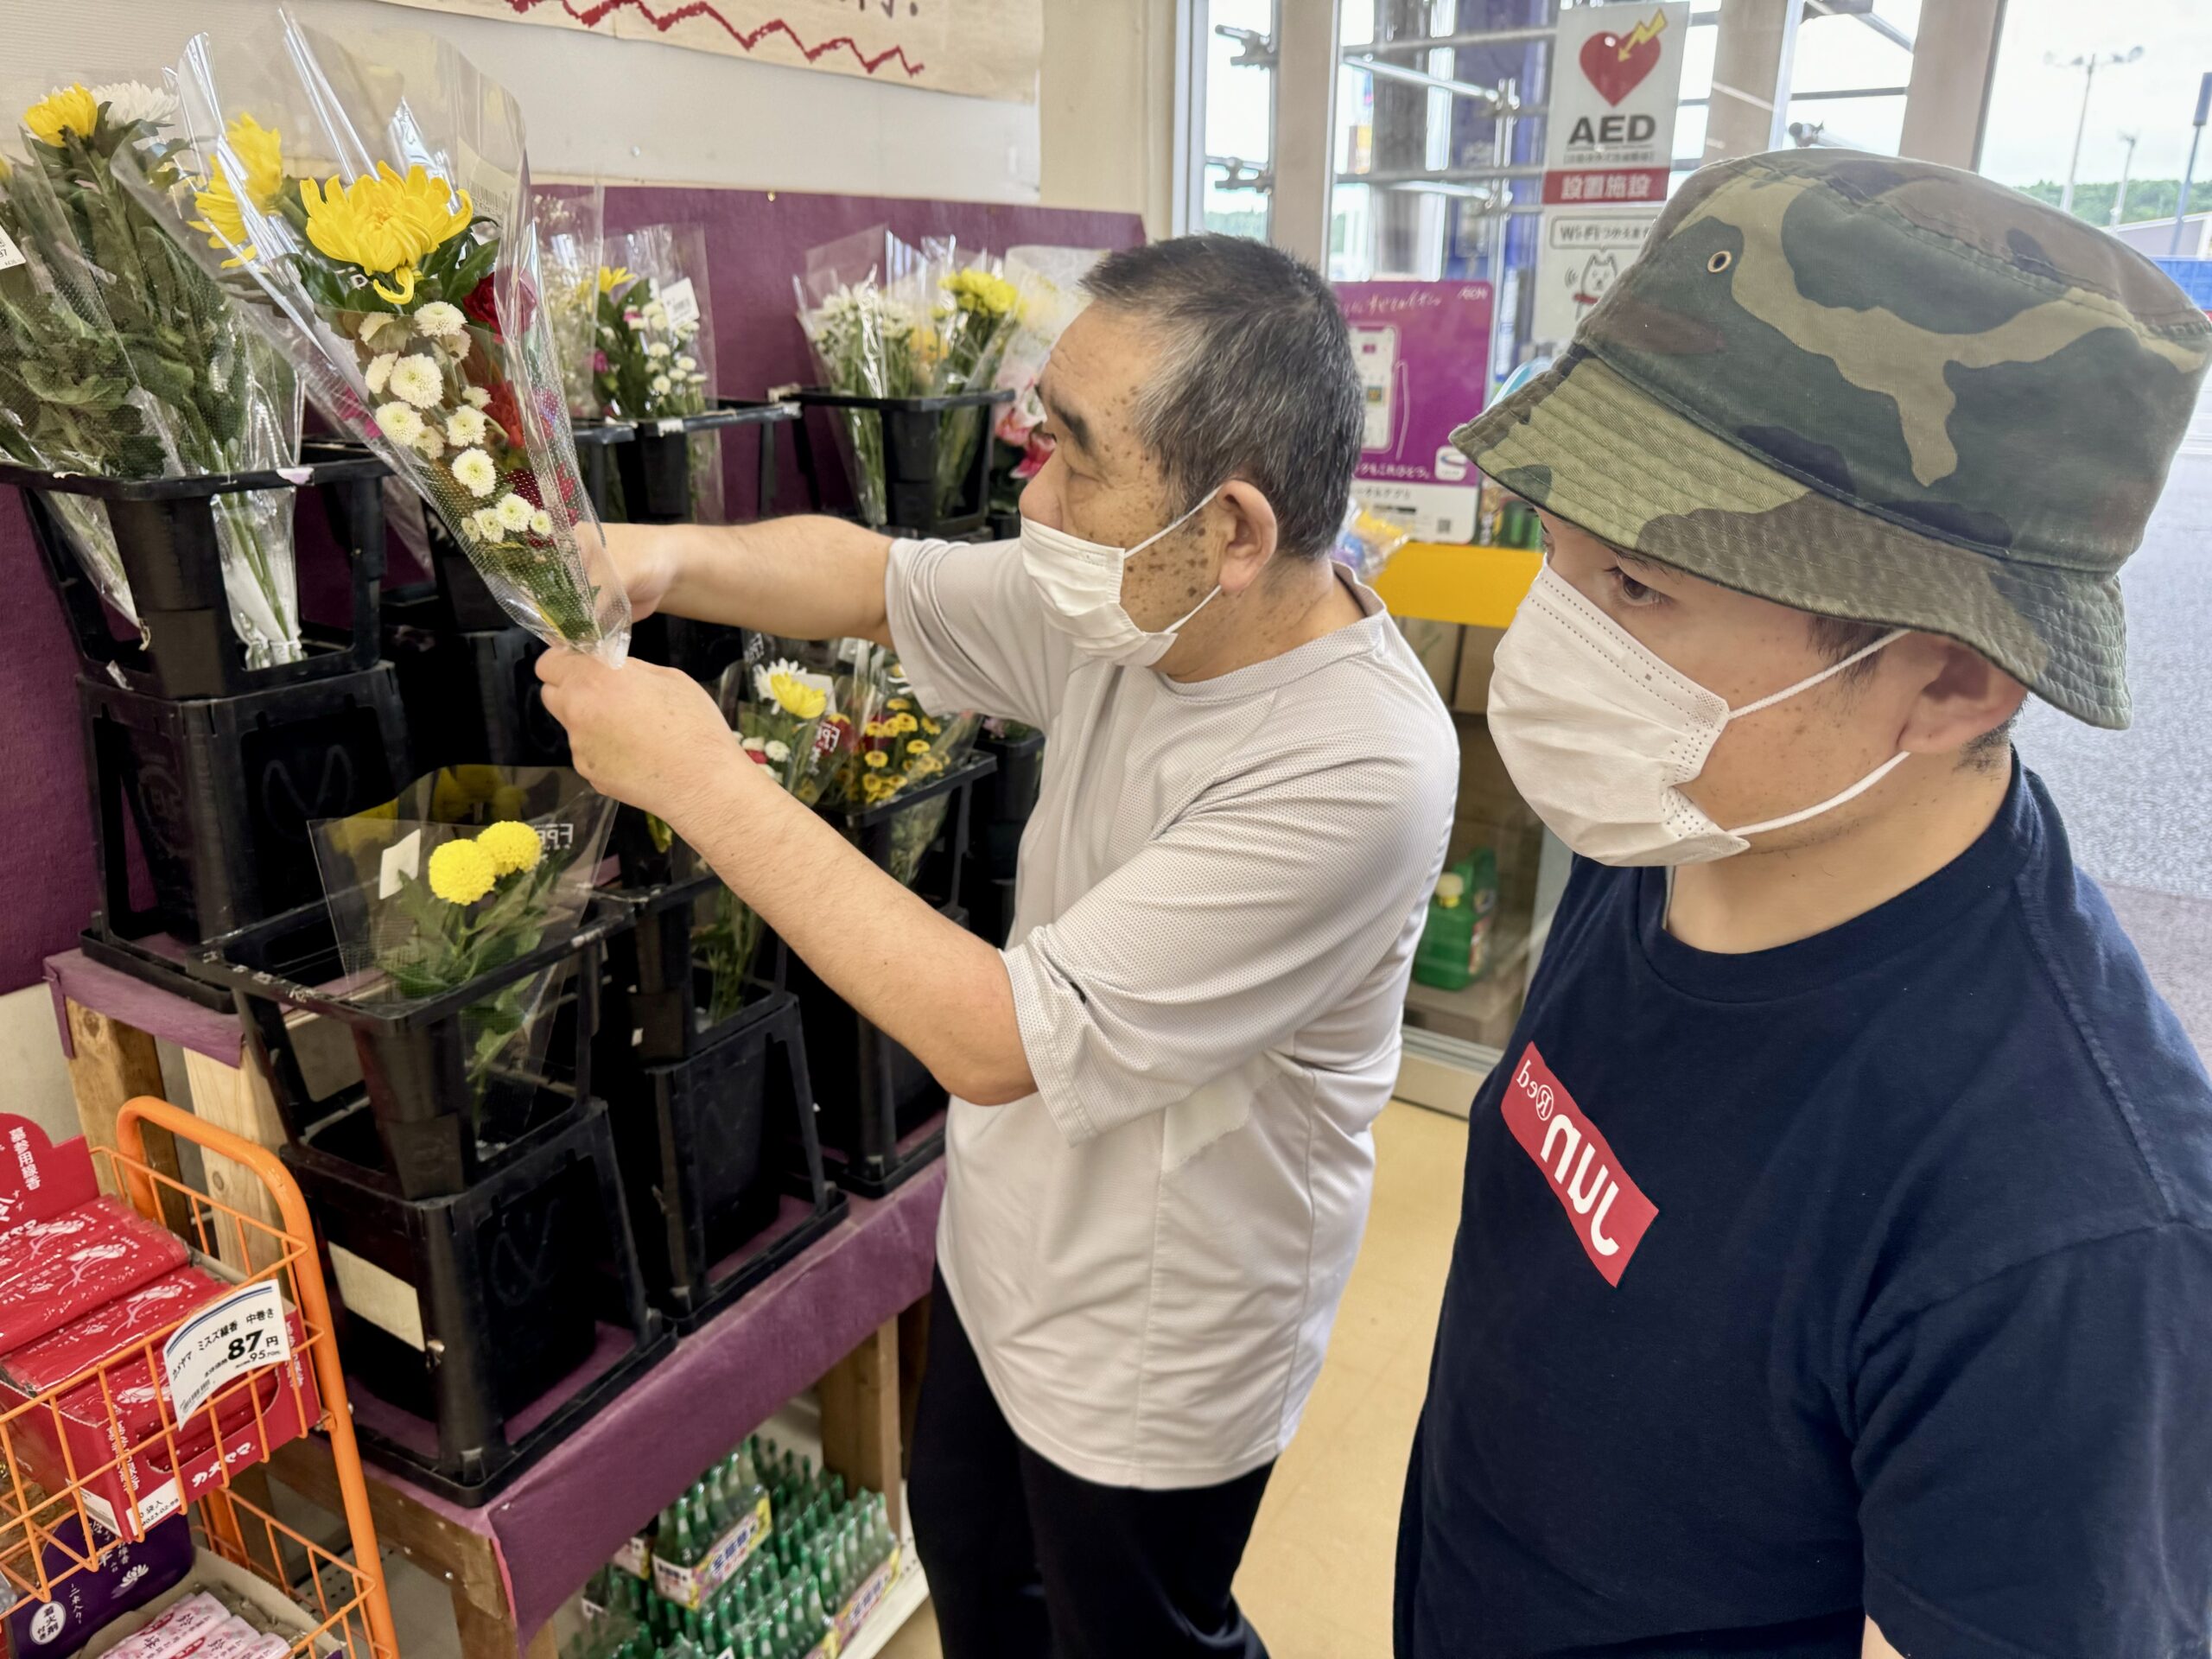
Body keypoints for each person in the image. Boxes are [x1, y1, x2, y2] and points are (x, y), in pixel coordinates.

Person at [540, 233, 1459, 1658]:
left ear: (1233, 528)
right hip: (1008, 1251)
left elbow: (995, 1035)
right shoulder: (1147, 607)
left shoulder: (1357, 767)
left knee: (1133, 1636)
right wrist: (664, 556)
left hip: (1163, 1334)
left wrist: (705, 780)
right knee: (976, 1567)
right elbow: (879, 581)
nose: (1036, 496)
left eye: (1076, 458)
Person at [1395, 147, 2212, 1659]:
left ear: (1952, 680)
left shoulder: (2066, 1231)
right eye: (1558, 556)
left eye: (1639, 589)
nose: (1551, 642)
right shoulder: (1681, 835)